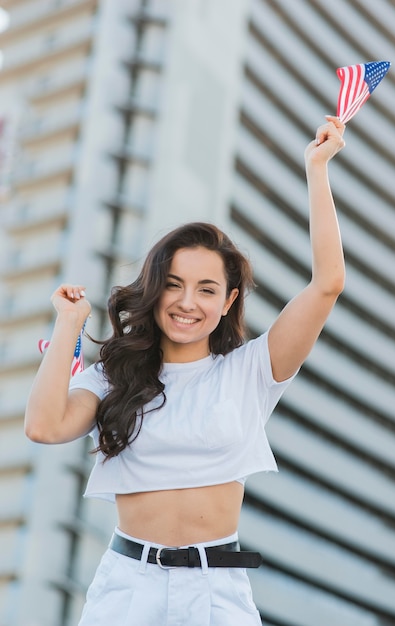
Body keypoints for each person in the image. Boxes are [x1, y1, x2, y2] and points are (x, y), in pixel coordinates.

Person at [25, 116, 345, 625]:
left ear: (229, 301)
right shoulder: (114, 377)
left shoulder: (252, 371)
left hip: (217, 591)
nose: (186, 303)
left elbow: (327, 282)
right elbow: (43, 427)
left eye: (207, 289)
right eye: (173, 285)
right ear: (154, 290)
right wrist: (69, 325)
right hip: (128, 587)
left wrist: (317, 169)